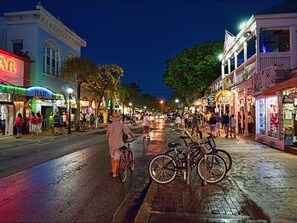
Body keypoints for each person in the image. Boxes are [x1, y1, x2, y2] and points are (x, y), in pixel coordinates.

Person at [106, 112, 137, 178]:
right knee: (116, 159)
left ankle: (113, 170)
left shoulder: (109, 126)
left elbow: (107, 135)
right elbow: (129, 132)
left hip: (111, 145)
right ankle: (114, 172)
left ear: (112, 118)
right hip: (119, 144)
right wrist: (134, 137)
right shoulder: (121, 125)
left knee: (112, 158)